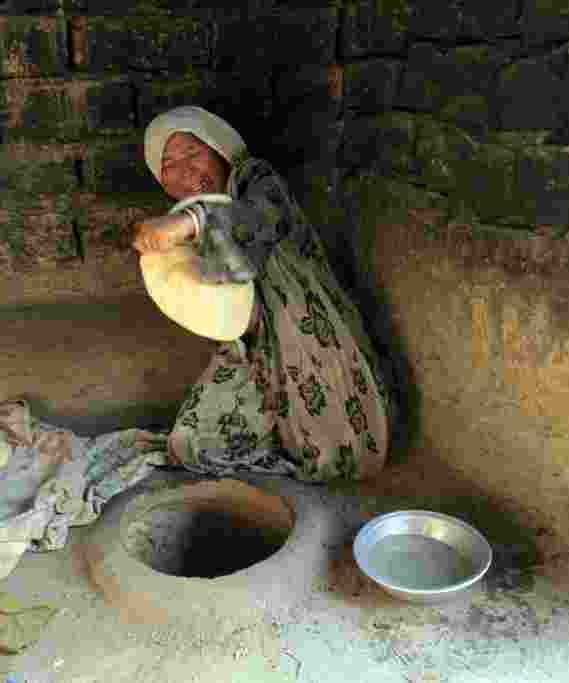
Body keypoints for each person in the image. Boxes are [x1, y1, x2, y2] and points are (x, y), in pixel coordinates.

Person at [133, 106, 397, 483]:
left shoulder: (256, 178)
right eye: (169, 163)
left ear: (220, 149)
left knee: (340, 455)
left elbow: (256, 217)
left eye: (193, 152)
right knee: (191, 444)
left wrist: (189, 223)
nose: (185, 170)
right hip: (251, 345)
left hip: (309, 331)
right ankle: (277, 426)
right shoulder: (193, 213)